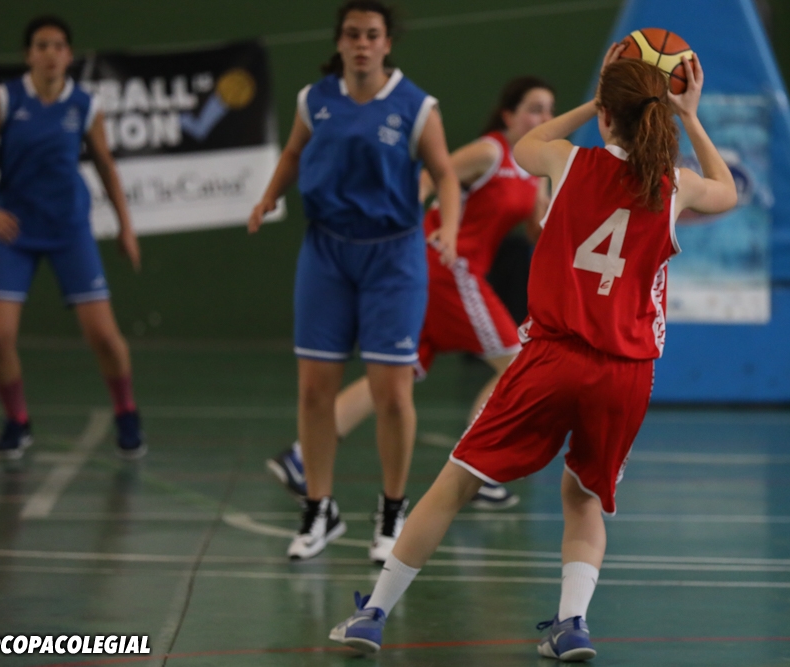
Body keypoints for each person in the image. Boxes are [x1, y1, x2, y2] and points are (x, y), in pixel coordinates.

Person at [328, 46, 738, 660]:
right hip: (626, 374)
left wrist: (596, 97)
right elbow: (728, 190)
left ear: (607, 114)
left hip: (554, 357)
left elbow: (527, 143)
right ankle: (573, 624)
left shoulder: (568, 163)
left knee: (456, 482)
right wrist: (689, 116)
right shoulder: (674, 186)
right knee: (584, 497)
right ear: (656, 114)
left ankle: (374, 614)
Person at [266, 76, 556, 511]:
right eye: (534, 109)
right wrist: (409, 224)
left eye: (549, 110)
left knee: (395, 376)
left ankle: (299, 457)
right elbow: (430, 177)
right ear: (509, 115)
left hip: (445, 275)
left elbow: (537, 230)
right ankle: (476, 469)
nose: (543, 117)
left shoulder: (534, 169)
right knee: (518, 363)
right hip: (446, 266)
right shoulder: (490, 151)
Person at [247, 1, 460, 564]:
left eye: (371, 35)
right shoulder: (315, 100)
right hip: (327, 253)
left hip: (393, 257)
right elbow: (293, 153)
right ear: (339, 42)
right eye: (352, 34)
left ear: (387, 43)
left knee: (392, 393)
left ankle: (391, 513)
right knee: (314, 390)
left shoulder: (416, 106)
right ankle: (319, 509)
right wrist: (269, 196)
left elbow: (444, 173)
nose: (361, 44)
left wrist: (450, 227)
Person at [0, 15, 144, 461]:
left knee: (104, 336)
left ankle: (126, 412)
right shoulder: (6, 99)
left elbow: (105, 165)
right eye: (41, 45)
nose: (50, 53)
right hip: (15, 232)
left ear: (69, 55)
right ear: (28, 54)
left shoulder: (84, 105)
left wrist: (126, 226)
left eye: (58, 45)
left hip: (69, 229)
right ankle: (17, 421)